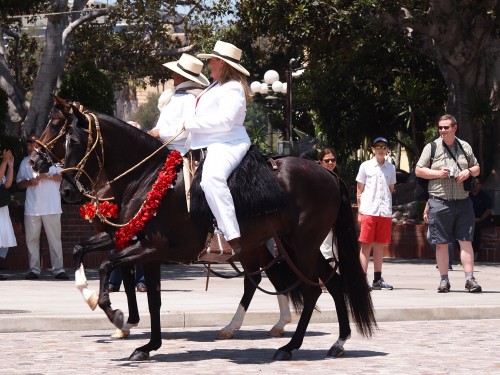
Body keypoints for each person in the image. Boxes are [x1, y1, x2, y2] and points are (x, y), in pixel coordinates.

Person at [182, 41, 252, 251]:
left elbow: (225, 121)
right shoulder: (215, 86)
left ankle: (231, 236)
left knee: (212, 179)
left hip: (228, 142)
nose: (209, 63)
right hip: (207, 143)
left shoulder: (233, 88)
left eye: (212, 60)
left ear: (221, 62)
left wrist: (189, 124)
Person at [416, 114, 481, 293]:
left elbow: (477, 167)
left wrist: (468, 172)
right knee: (442, 243)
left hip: (463, 201)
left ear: (455, 127)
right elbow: (418, 170)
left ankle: (470, 279)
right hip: (439, 201)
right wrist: (438, 173)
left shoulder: (464, 146)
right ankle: (444, 280)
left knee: (466, 240)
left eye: (446, 127)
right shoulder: (432, 147)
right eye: (440, 128)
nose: (442, 131)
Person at [16, 135, 68, 280]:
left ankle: (58, 270)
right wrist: (29, 182)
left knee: (55, 240)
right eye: (27, 143)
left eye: (32, 143)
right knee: (31, 240)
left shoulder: (54, 160)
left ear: (39, 144)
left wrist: (48, 176)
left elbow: (63, 178)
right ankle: (34, 270)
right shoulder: (25, 162)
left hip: (52, 207)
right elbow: (19, 184)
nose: (29, 146)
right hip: (32, 208)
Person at [148, 53, 209, 155]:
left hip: (177, 152)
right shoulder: (177, 95)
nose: (172, 75)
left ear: (183, 77)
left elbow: (186, 129)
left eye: (175, 72)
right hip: (163, 147)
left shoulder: (190, 98)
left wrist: (160, 133)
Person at [356, 136, 396, 290]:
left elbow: (391, 188)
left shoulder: (391, 168)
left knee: (380, 245)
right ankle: (361, 279)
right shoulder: (365, 166)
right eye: (377, 147)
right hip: (369, 210)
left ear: (387, 150)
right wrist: (360, 212)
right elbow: (360, 189)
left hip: (384, 211)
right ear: (372, 149)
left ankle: (377, 279)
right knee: (366, 245)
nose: (380, 149)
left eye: (383, 147)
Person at [423, 201, 455, 270]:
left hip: (447, 211)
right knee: (430, 237)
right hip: (434, 212)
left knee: (448, 239)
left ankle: (447, 263)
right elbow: (430, 198)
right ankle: (442, 258)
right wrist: (425, 212)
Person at [0, 149, 16, 280]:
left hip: (2, 210)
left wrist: (10, 166)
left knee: (2, 239)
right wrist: (4, 162)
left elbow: (7, 184)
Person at [469, 177, 493, 261]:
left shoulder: (484, 196)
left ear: (480, 185)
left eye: (476, 184)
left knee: (476, 229)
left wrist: (480, 219)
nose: (474, 186)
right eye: (473, 184)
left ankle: (475, 253)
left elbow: (488, 210)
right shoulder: (467, 195)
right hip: (468, 219)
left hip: (481, 220)